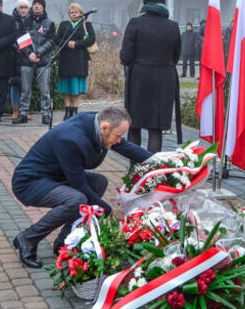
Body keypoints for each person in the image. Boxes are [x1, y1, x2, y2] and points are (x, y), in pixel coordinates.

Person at [10, 105, 151, 268]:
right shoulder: (70, 139)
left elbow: (126, 147)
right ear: (105, 127)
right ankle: (28, 238)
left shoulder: (99, 124)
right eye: (118, 136)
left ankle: (64, 242)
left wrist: (162, 160)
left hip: (55, 176)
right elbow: (80, 186)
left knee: (99, 183)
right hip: (29, 182)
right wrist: (110, 212)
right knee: (77, 199)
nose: (119, 140)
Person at [120, 0, 180, 153]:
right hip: (164, 79)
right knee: (156, 128)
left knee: (134, 125)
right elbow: (175, 57)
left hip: (139, 78)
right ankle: (152, 173)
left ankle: (134, 171)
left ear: (145, 2)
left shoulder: (135, 23)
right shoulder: (173, 26)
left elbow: (125, 56)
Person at [15, 0, 56, 125]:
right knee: (25, 90)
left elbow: (51, 41)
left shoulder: (49, 23)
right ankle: (22, 114)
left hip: (43, 62)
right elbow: (20, 40)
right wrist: (29, 54)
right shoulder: (25, 22)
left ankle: (46, 115)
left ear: (43, 7)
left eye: (39, 4)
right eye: (35, 4)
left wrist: (38, 53)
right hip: (27, 61)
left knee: (45, 91)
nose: (37, 6)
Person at [56, 2, 94, 121]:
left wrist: (76, 44)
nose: (74, 14)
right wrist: (67, 43)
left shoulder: (86, 24)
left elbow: (91, 39)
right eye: (71, 13)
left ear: (81, 14)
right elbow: (57, 39)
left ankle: (75, 111)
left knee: (76, 88)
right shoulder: (64, 25)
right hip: (65, 59)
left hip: (79, 60)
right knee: (66, 87)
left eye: (76, 12)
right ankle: (67, 111)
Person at [9, 0, 31, 119]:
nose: (23, 10)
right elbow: (9, 37)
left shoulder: (32, 21)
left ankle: (25, 109)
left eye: (25, 7)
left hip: (28, 57)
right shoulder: (12, 21)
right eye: (21, 7)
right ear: (17, 9)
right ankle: (15, 109)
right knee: (15, 84)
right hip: (15, 56)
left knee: (26, 85)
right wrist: (16, 48)